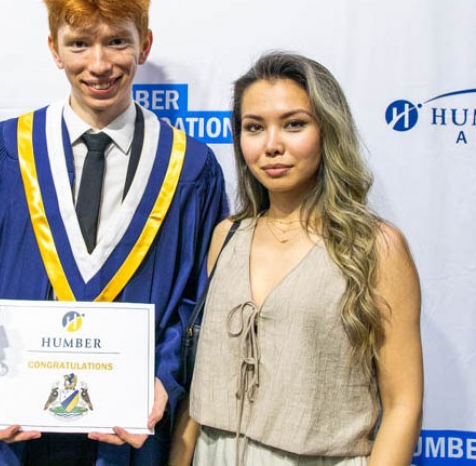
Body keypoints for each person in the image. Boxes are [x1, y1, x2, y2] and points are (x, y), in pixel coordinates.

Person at [0, 0, 228, 465]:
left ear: (145, 44)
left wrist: (164, 380)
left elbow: (199, 303)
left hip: (129, 435)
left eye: (117, 41)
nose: (99, 64)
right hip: (9, 436)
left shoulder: (192, 169)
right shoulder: (0, 154)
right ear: (54, 49)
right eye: (79, 44)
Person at [173, 52, 423, 465]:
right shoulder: (227, 236)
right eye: (254, 127)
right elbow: (200, 386)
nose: (272, 145)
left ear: (328, 130)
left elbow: (403, 404)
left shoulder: (375, 247)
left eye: (294, 124)